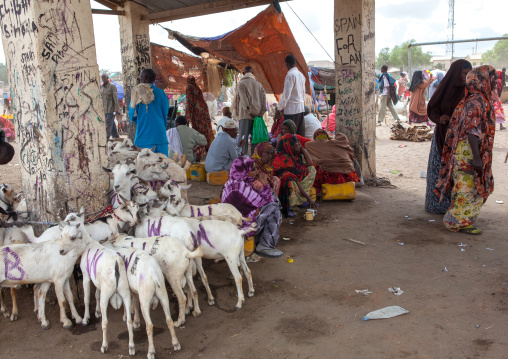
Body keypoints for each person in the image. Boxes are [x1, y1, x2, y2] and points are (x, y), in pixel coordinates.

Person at [435, 65, 497, 235]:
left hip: (471, 150)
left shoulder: (476, 99)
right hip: (469, 152)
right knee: (467, 188)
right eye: (492, 78)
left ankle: (461, 219)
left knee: (471, 186)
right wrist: (476, 158)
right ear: (482, 80)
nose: (496, 81)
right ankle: (456, 221)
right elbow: (471, 132)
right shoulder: (476, 102)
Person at [425, 59, 472, 214]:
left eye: (468, 74)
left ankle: (453, 207)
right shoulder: (444, 88)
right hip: (442, 136)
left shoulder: (469, 91)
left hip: (459, 138)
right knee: (438, 169)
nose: (466, 77)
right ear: (455, 73)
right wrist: (440, 119)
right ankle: (435, 205)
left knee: (455, 172)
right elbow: (432, 107)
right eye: (464, 74)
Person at [221, 157, 283, 258]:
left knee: (271, 202)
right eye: (253, 169)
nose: (257, 172)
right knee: (274, 208)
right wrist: (265, 183)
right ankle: (265, 245)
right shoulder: (239, 189)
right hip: (239, 228)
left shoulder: (234, 181)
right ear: (245, 170)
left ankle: (261, 239)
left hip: (235, 223)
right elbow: (269, 202)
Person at [272, 133, 317, 217]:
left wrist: (302, 149)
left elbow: (310, 163)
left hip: (296, 181)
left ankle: (301, 200)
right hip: (285, 185)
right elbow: (292, 178)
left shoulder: (295, 155)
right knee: (289, 180)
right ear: (289, 145)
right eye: (296, 143)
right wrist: (309, 198)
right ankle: (289, 206)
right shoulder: (282, 159)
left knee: (311, 169)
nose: (298, 145)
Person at [306, 129, 360, 195]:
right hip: (347, 176)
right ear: (327, 136)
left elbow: (306, 144)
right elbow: (343, 136)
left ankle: (319, 191)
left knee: (315, 168)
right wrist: (331, 139)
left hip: (329, 178)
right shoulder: (337, 143)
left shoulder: (312, 145)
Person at [128, 69, 169, 156]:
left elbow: (132, 115)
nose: (140, 79)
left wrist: (143, 120)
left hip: (144, 138)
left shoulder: (137, 93)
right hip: (160, 137)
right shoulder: (161, 93)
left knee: (146, 167)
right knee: (164, 166)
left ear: (145, 78)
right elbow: (165, 112)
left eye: (141, 77)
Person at [235, 66, 267, 155]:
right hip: (257, 116)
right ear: (253, 74)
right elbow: (264, 100)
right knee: (255, 138)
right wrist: (261, 112)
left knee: (243, 139)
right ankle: (254, 158)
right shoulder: (259, 85)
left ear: (244, 73)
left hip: (245, 115)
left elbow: (244, 100)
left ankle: (244, 159)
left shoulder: (241, 83)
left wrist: (249, 111)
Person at [278, 54, 306, 136]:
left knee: (290, 135)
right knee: (299, 134)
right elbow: (303, 93)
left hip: (291, 110)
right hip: (300, 108)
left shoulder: (290, 75)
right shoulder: (301, 75)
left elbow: (286, 95)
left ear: (286, 63)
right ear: (295, 63)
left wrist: (280, 108)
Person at [186, 76, 214, 147]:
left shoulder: (189, 87)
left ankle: (201, 147)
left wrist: (187, 115)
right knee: (205, 128)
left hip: (197, 112)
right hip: (203, 110)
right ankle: (207, 145)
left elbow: (189, 101)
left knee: (198, 129)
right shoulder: (196, 87)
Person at [101, 73, 121, 140]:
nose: (103, 79)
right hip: (104, 110)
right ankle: (116, 136)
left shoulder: (112, 86)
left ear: (107, 78)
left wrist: (117, 109)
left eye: (104, 78)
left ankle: (105, 140)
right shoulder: (102, 87)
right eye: (102, 78)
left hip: (111, 110)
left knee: (108, 126)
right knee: (111, 125)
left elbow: (115, 98)